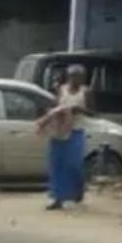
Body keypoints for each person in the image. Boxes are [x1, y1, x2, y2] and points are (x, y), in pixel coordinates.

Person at [37, 72, 92, 211]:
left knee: (74, 165)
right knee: (57, 164)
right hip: (60, 130)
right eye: (73, 76)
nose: (75, 79)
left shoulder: (86, 92)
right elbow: (54, 108)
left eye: (78, 76)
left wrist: (80, 110)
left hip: (76, 130)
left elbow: (93, 112)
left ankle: (77, 190)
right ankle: (57, 197)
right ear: (68, 77)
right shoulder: (61, 90)